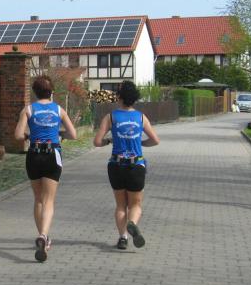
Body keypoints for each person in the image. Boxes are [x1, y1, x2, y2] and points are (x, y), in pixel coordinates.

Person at [14, 76, 77, 262]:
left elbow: (18, 135)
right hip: (52, 154)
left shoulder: (28, 110)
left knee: (38, 199)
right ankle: (43, 235)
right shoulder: (59, 109)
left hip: (34, 154)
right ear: (51, 92)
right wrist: (59, 134)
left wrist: (29, 136)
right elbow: (73, 134)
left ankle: (43, 236)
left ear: (35, 92)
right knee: (49, 200)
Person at [93, 81, 160, 249]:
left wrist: (109, 140)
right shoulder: (141, 117)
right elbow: (155, 140)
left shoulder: (111, 117)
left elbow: (97, 142)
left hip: (116, 165)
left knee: (121, 205)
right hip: (136, 165)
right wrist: (140, 143)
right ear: (134, 98)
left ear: (119, 97)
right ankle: (132, 223)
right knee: (135, 205)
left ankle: (123, 237)